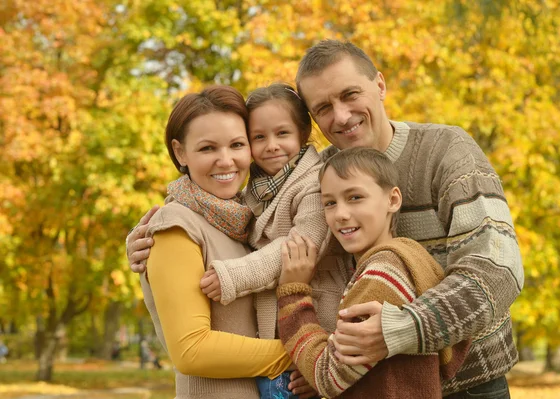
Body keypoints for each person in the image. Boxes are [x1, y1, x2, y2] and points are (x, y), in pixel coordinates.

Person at [128, 40, 524, 397]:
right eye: (322, 108)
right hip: (369, 380)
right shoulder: (324, 175)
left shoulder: (444, 150)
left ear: (380, 86)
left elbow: (497, 271)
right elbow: (246, 220)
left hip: (469, 383)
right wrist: (156, 237)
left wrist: (399, 330)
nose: (341, 115)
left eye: (350, 94)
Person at [139, 86, 296, 399]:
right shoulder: (176, 226)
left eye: (237, 145)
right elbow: (191, 349)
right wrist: (302, 354)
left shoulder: (243, 223)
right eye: (208, 148)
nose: (226, 161)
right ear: (180, 152)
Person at [277, 147, 470, 398]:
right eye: (330, 203)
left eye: (355, 197)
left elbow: (328, 377)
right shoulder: (414, 259)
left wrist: (293, 294)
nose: (341, 215)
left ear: (392, 200)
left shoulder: (383, 274)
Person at [198, 83, 350, 399]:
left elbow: (299, 246)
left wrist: (233, 276)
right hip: (268, 335)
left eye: (282, 133)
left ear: (303, 131)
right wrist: (147, 233)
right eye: (259, 137)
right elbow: (207, 206)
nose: (271, 146)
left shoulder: (315, 182)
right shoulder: (254, 187)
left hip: (317, 324)